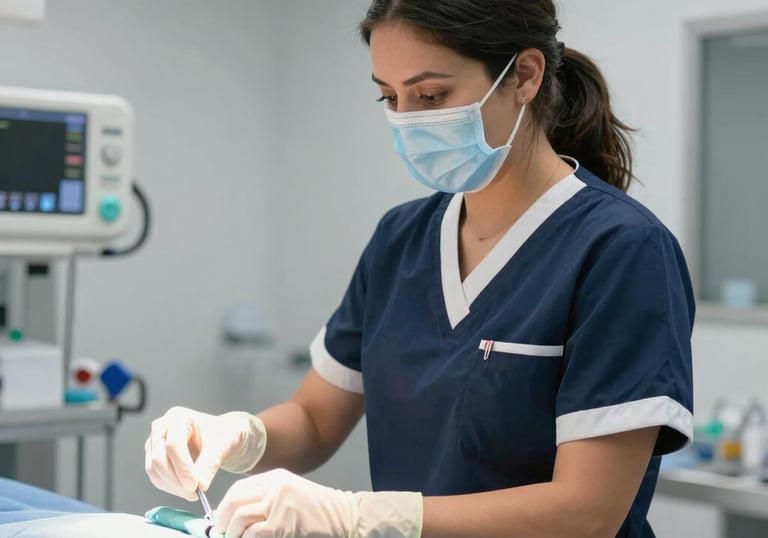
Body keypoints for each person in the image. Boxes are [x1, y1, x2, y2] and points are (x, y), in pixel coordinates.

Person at [145, 1, 695, 537]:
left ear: (525, 76)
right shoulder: (401, 239)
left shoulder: (621, 250)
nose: (408, 121)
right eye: (390, 97)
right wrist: (235, 435)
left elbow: (586, 513)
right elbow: (315, 419)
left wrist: (356, 517)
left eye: (431, 95)